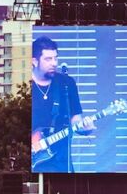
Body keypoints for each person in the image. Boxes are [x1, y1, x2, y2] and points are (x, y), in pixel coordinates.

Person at [29, 37, 91, 173]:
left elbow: (76, 119)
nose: (54, 63)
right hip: (33, 164)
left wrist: (85, 128)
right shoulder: (25, 86)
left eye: (55, 58)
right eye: (48, 59)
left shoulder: (66, 83)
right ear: (34, 61)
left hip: (62, 163)